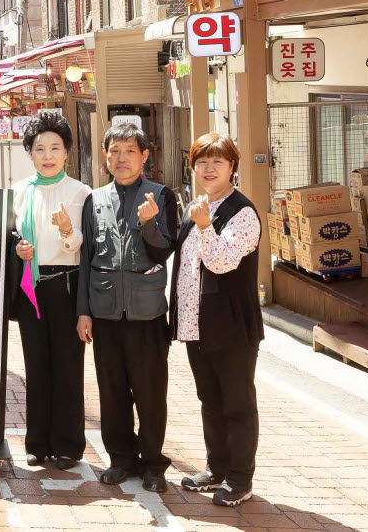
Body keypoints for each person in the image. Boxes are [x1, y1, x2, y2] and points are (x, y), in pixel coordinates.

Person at [77, 123, 178, 493]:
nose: (122, 159)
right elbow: (87, 258)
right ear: (105, 157)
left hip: (147, 314)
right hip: (105, 313)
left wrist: (150, 224)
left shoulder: (161, 196)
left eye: (130, 151)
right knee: (112, 391)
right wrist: (83, 311)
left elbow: (164, 250)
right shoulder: (95, 199)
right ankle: (121, 458)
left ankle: (153, 462)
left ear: (145, 156)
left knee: (150, 393)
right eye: (115, 152)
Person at [170, 132, 263, 507]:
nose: (208, 169)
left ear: (232, 168)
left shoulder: (242, 212)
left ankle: (240, 480)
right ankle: (217, 468)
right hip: (197, 324)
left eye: (217, 162)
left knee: (237, 403)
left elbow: (222, 262)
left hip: (232, 326)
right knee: (210, 399)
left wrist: (206, 226)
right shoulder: (198, 206)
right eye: (201, 162)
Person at [9, 112, 91, 471]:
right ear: (30, 153)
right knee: (36, 365)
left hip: (66, 286)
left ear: (66, 153)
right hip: (31, 287)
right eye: (39, 148)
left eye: (55, 147)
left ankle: (69, 446)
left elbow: (81, 247)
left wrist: (67, 230)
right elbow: (10, 236)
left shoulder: (81, 192)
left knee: (68, 366)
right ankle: (37, 444)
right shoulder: (20, 190)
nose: (47, 155)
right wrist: (18, 249)